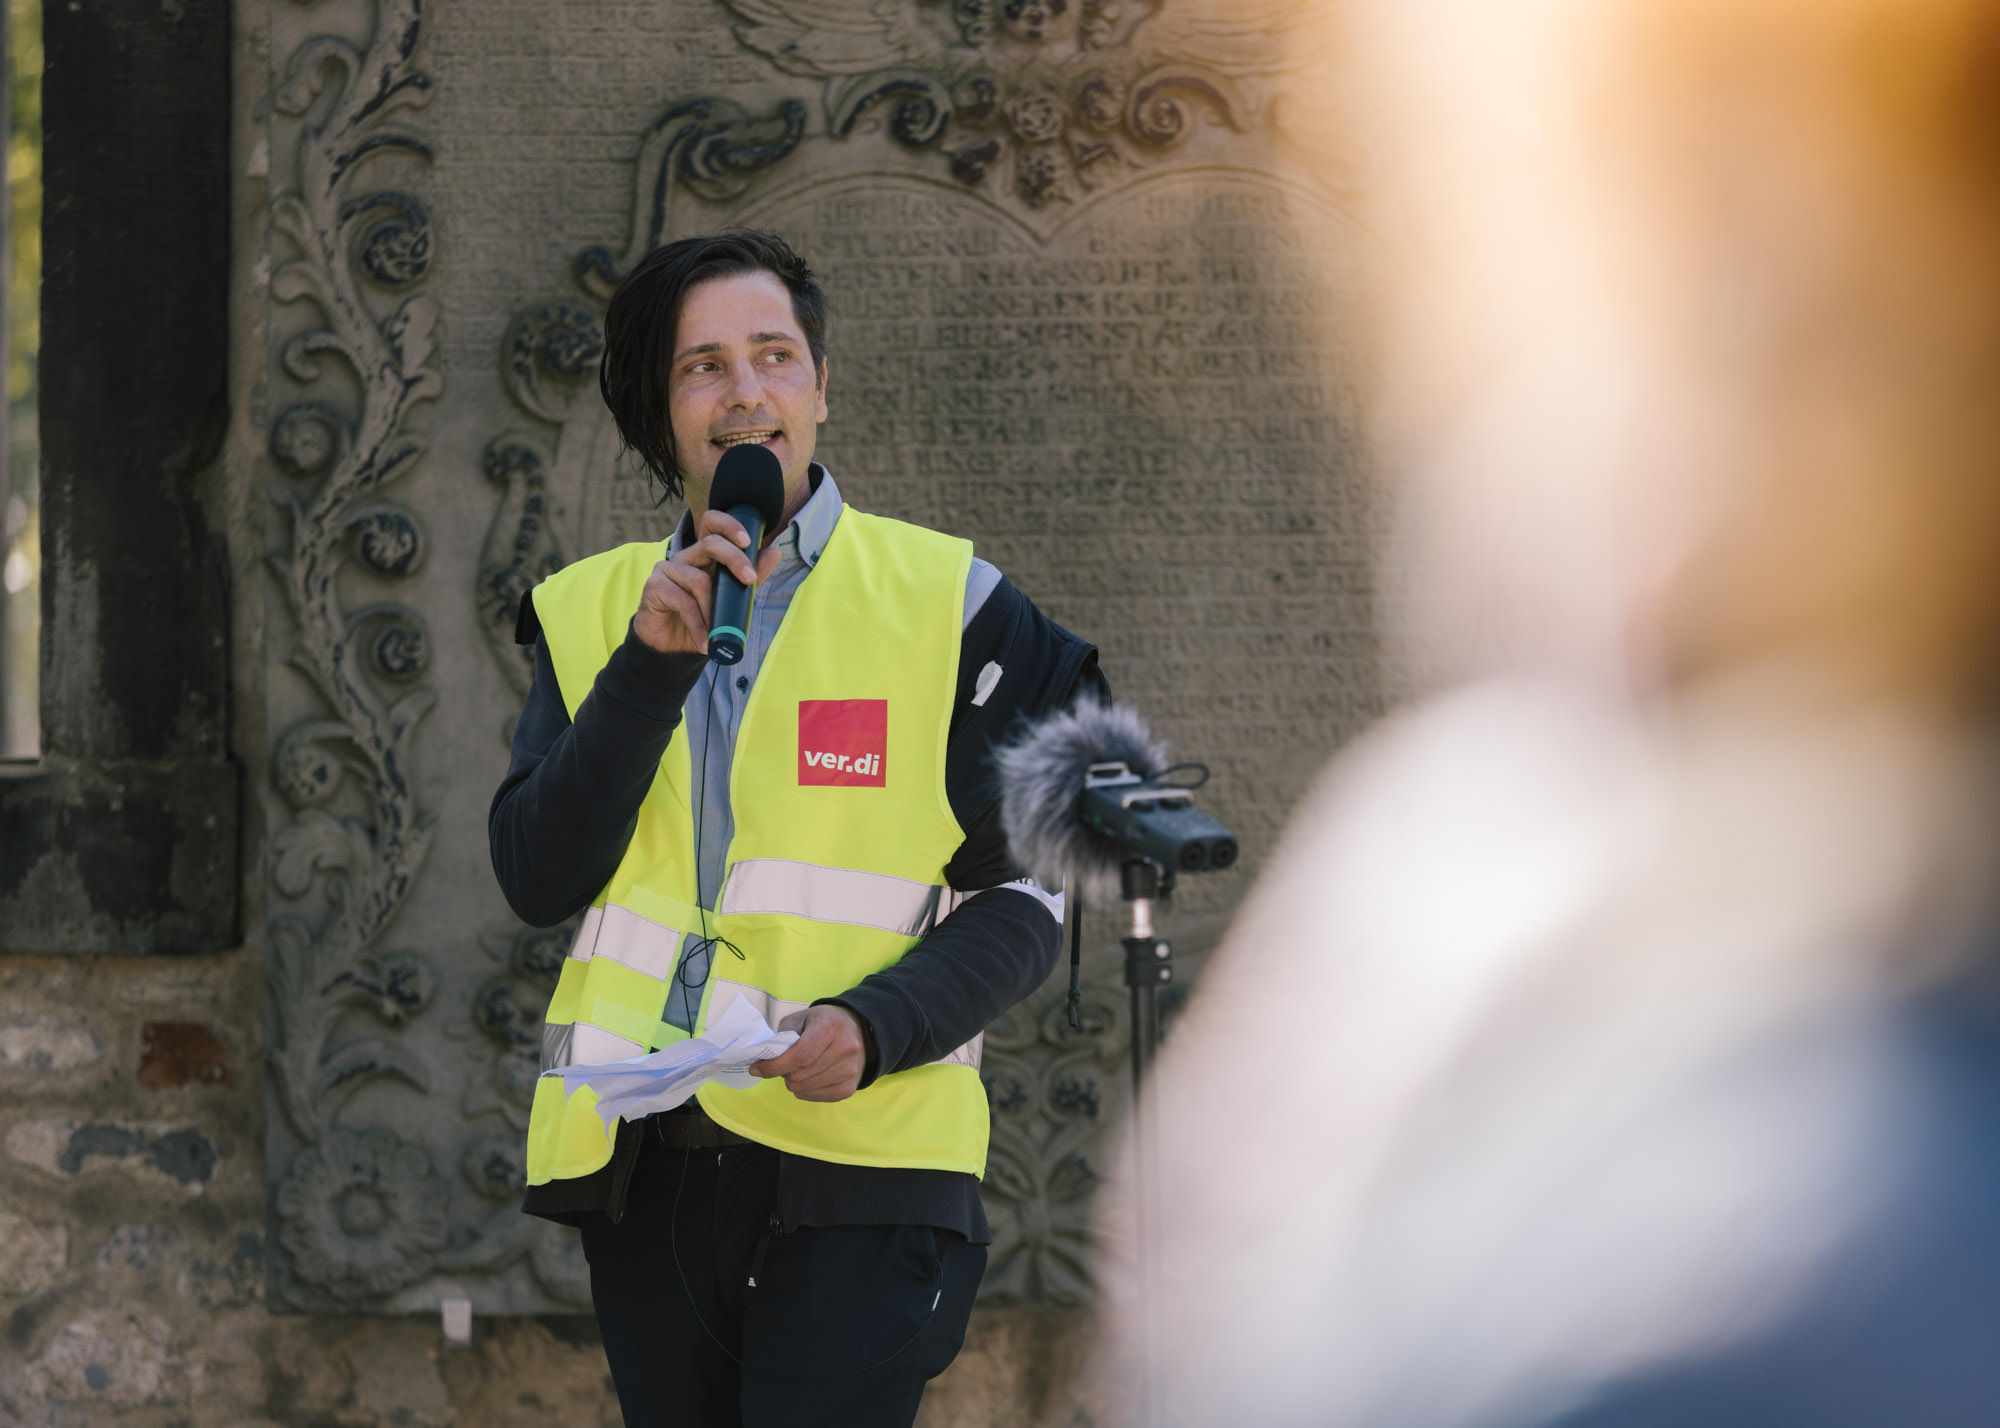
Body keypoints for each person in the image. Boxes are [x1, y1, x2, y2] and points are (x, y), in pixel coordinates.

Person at [489, 229, 1104, 1427]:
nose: (744, 392)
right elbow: (535, 873)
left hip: (865, 1163)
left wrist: (874, 1029)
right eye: (702, 367)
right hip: (649, 1166)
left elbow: (1028, 900)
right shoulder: (587, 614)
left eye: (774, 356)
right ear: (658, 413)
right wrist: (642, 673)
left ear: (820, 387)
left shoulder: (953, 606)